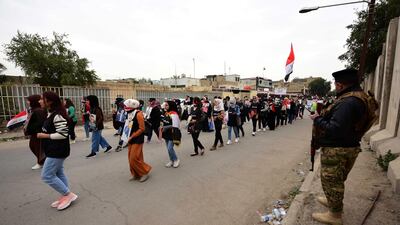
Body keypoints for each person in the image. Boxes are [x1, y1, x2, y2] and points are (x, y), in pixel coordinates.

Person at [310, 68, 375, 225]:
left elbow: (335, 128)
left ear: (340, 85)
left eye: (336, 83)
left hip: (337, 149)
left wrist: (317, 119)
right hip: (348, 145)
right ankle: (332, 201)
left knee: (332, 181)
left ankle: (334, 215)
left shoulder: (348, 102)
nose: (335, 86)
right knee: (337, 179)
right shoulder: (359, 97)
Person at [36, 91, 78, 211]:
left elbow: (63, 134)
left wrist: (45, 136)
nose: (40, 101)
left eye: (41, 99)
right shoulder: (51, 113)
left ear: (49, 101)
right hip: (53, 149)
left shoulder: (57, 115)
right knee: (59, 173)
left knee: (47, 175)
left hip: (57, 150)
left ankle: (68, 195)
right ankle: (65, 195)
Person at [122, 99, 151, 182]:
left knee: (133, 158)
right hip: (130, 138)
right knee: (132, 158)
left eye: (126, 106)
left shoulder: (138, 114)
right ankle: (135, 174)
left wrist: (132, 136)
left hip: (137, 138)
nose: (124, 107)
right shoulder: (129, 113)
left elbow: (142, 129)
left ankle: (144, 172)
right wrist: (125, 135)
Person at [24, 94, 46, 170]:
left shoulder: (38, 111)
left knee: (37, 147)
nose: (27, 102)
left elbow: (40, 122)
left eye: (29, 101)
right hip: (34, 133)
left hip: (38, 133)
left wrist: (32, 128)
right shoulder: (34, 110)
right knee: (33, 146)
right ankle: (43, 161)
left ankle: (40, 162)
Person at [161, 101, 181, 168]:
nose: (165, 106)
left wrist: (165, 127)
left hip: (172, 133)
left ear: (171, 106)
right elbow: (164, 121)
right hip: (166, 133)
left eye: (167, 105)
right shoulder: (166, 113)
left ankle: (176, 160)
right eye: (165, 105)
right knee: (168, 148)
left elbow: (175, 126)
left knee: (170, 148)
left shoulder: (174, 114)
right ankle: (171, 160)